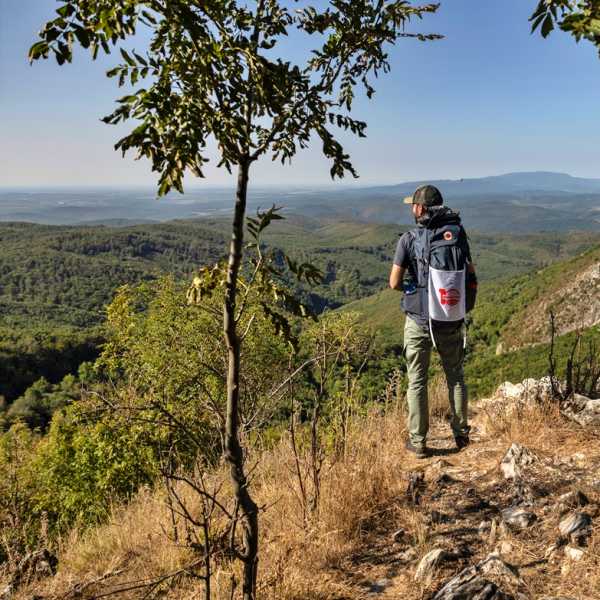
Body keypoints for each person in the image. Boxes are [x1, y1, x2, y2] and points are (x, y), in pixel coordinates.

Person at [389, 184, 477, 459]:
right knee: (455, 376)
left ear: (420, 208)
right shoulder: (457, 234)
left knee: (417, 381)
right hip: (450, 317)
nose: (411, 209)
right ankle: (461, 434)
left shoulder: (408, 239)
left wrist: (414, 290)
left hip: (418, 319)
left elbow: (393, 283)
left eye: (412, 205)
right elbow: (470, 273)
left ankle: (419, 442)